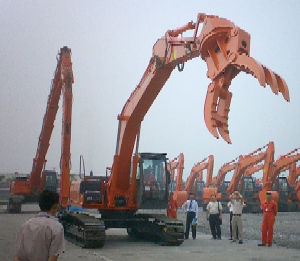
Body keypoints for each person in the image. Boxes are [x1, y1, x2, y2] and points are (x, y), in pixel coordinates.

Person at [14, 190, 64, 261]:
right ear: (55, 206)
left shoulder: (26, 225)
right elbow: (52, 259)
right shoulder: (57, 228)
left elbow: (17, 257)